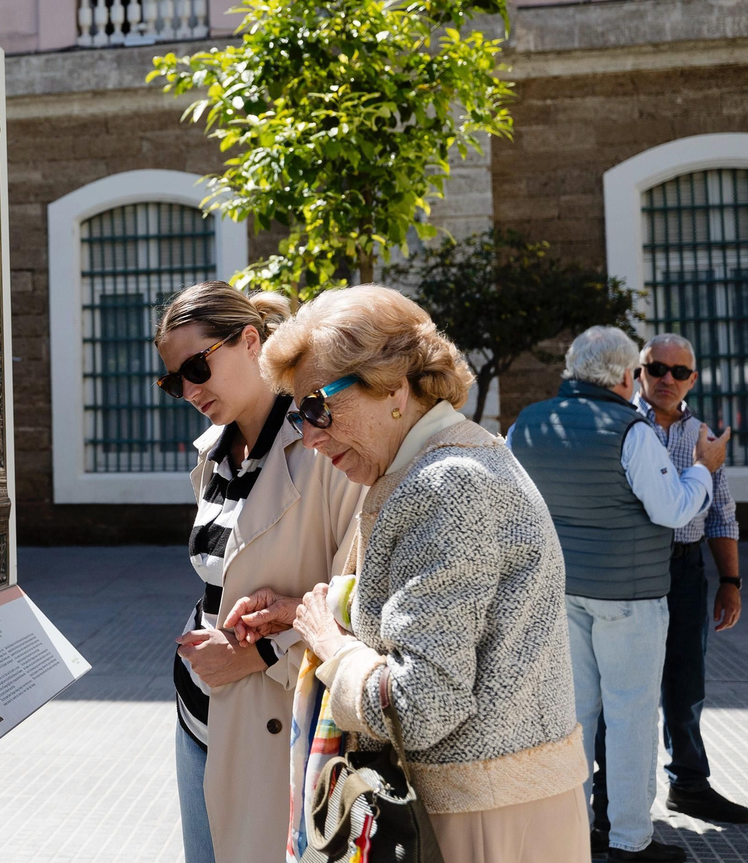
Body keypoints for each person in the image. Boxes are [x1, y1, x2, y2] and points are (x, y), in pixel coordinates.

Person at [256, 285, 588, 863]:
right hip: (491, 804)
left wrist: (332, 648)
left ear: (394, 386)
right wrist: (307, 612)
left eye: (317, 407)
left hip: (476, 821)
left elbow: (422, 705)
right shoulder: (444, 462)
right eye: (297, 413)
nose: (308, 436)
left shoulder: (444, 484)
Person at [153, 281, 363, 863]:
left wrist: (259, 654)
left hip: (278, 714)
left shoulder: (325, 444)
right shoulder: (213, 453)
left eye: (198, 367)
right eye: (175, 380)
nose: (190, 390)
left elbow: (360, 589)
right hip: (198, 711)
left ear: (250, 341)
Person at [509, 326, 725, 863]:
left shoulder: (529, 423)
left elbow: (514, 503)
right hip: (630, 597)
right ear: (627, 376)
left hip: (563, 591)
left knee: (574, 718)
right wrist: (704, 468)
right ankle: (631, 842)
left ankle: (572, 833)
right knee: (630, 718)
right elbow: (674, 509)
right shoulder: (630, 431)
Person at [597, 334, 748, 826]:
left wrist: (731, 580)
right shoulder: (621, 424)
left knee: (685, 681)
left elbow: (721, 513)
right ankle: (605, 796)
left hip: (684, 568)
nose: (666, 379)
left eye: (678, 372)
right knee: (615, 684)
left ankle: (688, 782)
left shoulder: (702, 434)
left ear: (693, 379)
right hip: (629, 565)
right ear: (638, 371)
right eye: (656, 368)